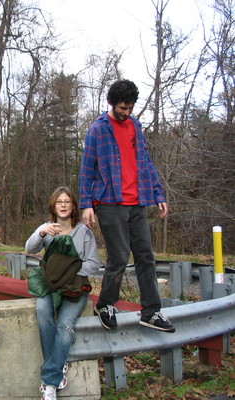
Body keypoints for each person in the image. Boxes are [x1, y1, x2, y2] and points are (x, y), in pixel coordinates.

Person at [79, 79, 175, 333]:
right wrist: (86, 203)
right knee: (120, 257)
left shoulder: (135, 126)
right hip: (110, 201)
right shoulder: (98, 129)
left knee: (145, 256)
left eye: (130, 108)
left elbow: (144, 162)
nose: (126, 112)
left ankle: (151, 311)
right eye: (123, 107)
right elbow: (87, 168)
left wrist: (158, 193)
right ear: (111, 103)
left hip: (138, 201)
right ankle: (106, 304)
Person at [25, 187, 101, 400]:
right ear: (53, 206)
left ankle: (49, 382)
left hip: (75, 287)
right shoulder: (48, 229)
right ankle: (57, 366)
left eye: (67, 201)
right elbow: (29, 248)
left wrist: (70, 272)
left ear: (74, 206)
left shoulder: (84, 232)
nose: (64, 205)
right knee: (42, 311)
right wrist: (41, 232)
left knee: (65, 325)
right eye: (60, 202)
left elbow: (94, 262)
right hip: (49, 284)